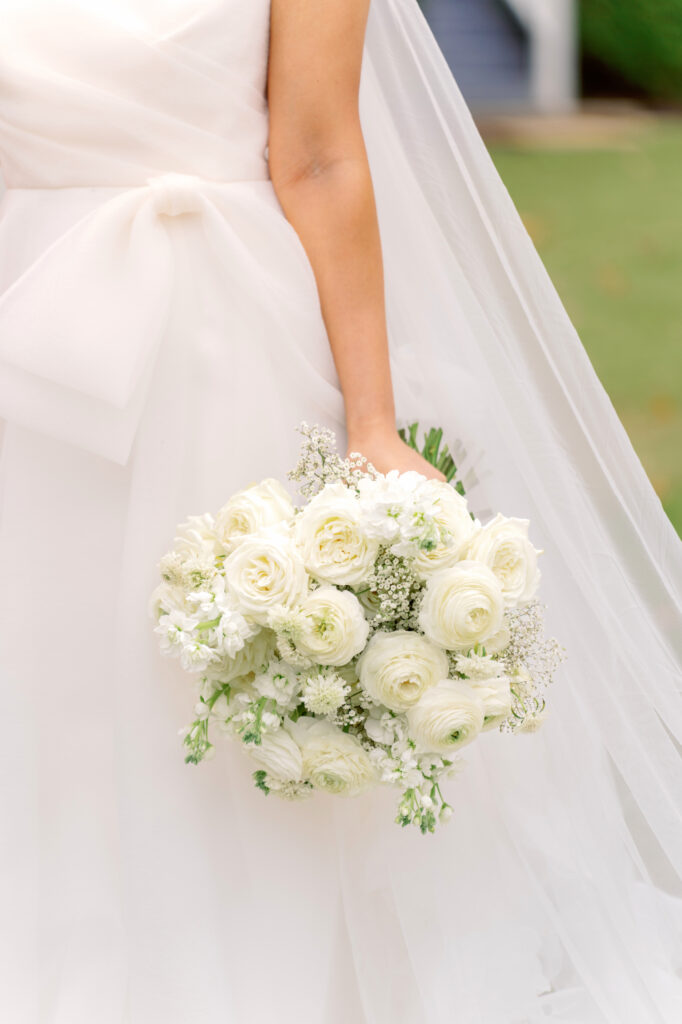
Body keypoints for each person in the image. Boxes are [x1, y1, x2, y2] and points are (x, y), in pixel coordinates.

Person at [1, 1, 681, 1022]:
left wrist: (371, 421)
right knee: (45, 687)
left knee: (221, 686)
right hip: (28, 343)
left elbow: (318, 154)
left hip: (232, 342)